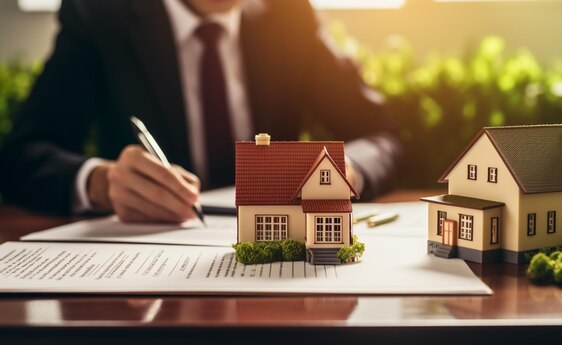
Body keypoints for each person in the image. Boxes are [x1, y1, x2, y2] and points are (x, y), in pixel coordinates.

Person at [0, 0, 402, 223]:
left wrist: (346, 171)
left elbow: (386, 135)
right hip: (146, 276)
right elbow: (22, 155)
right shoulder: (99, 15)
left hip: (278, 265)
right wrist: (101, 182)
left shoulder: (289, 15)